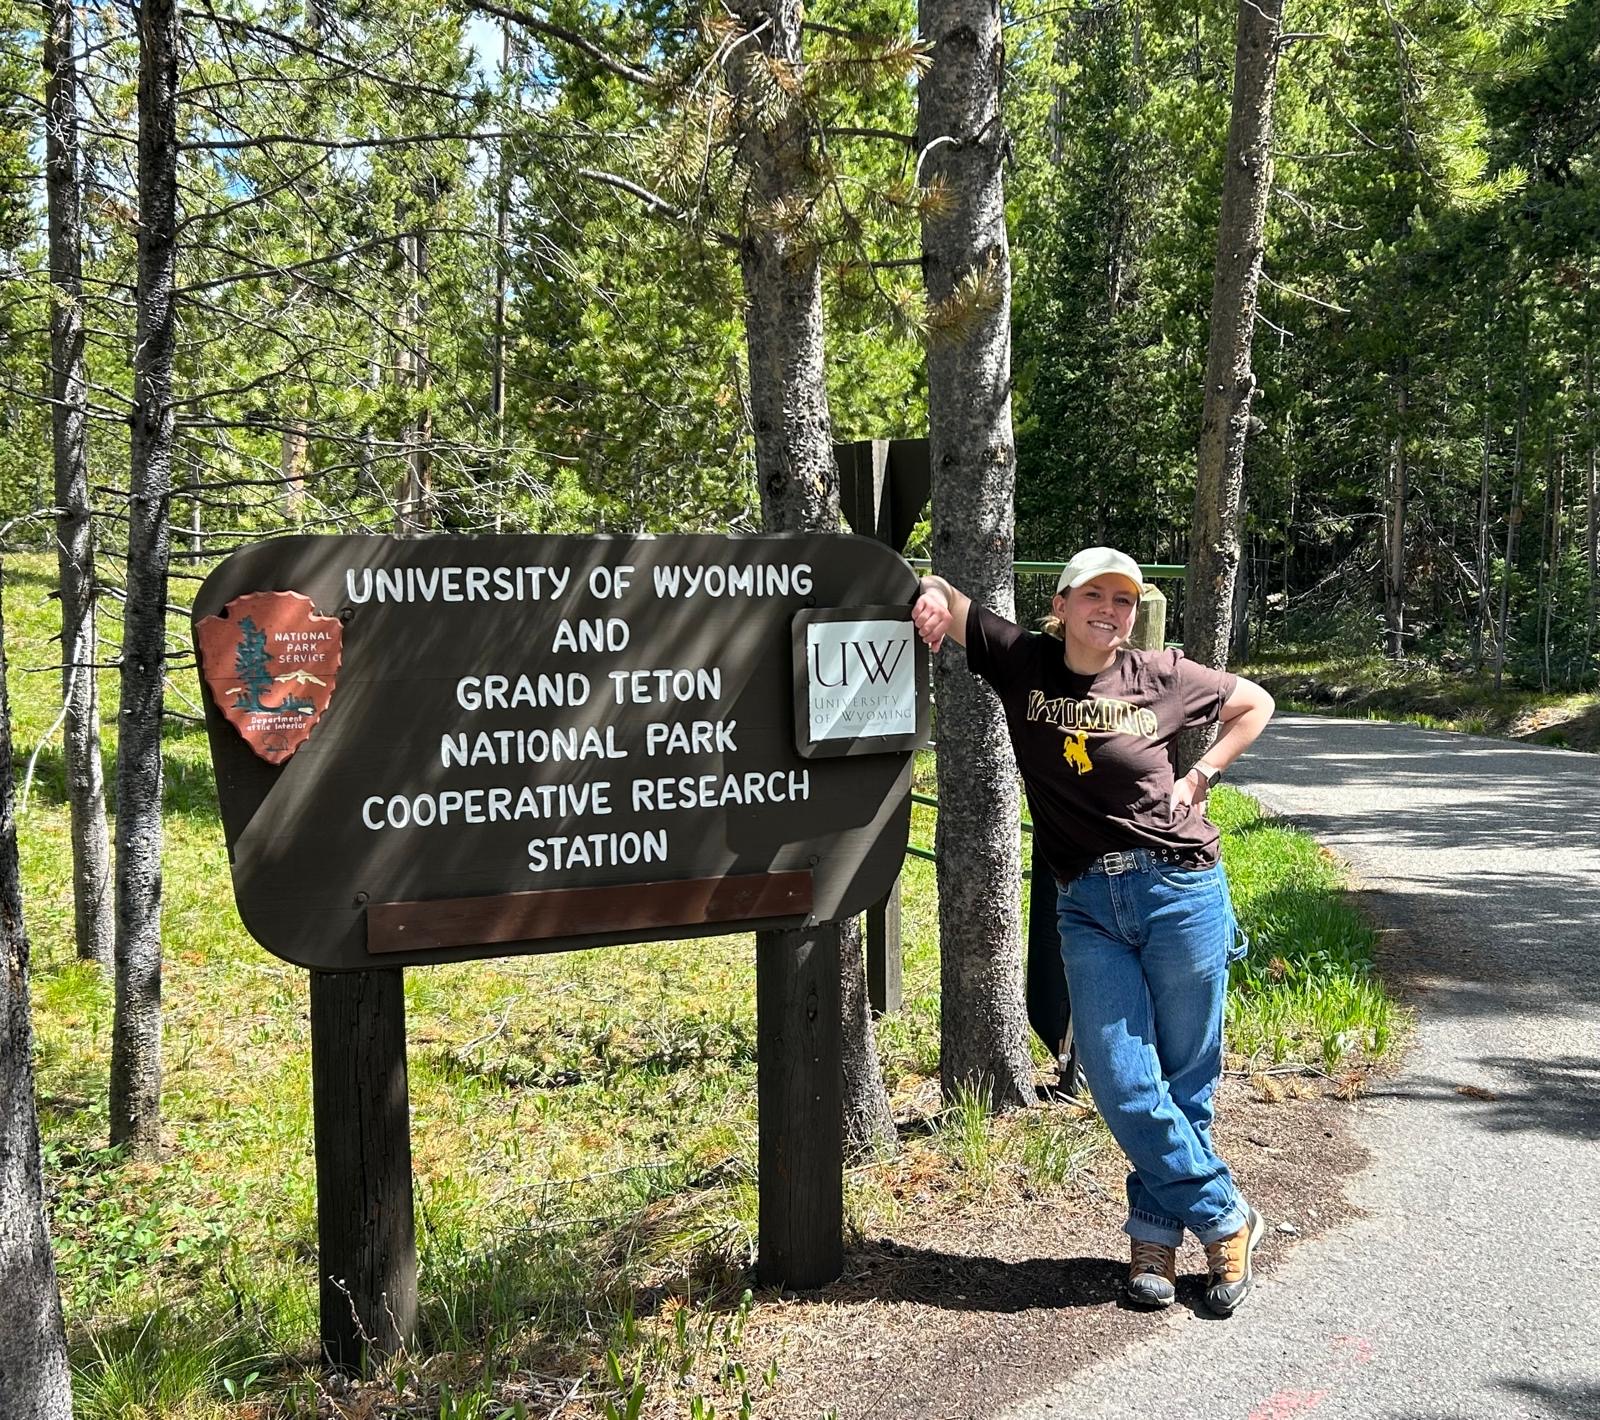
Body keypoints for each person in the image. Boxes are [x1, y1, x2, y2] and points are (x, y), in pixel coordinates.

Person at [911, 546, 1276, 1316]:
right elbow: (945, 587)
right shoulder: (1022, 660)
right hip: (1085, 903)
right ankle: (1224, 1214)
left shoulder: (1162, 675)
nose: (1111, 611)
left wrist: (1200, 776)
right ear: (1063, 602)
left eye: (1126, 600)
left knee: (1186, 1078)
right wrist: (930, 597)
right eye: (1096, 596)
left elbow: (1256, 703)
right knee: (1117, 1078)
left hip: (1178, 887)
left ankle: (1153, 1238)